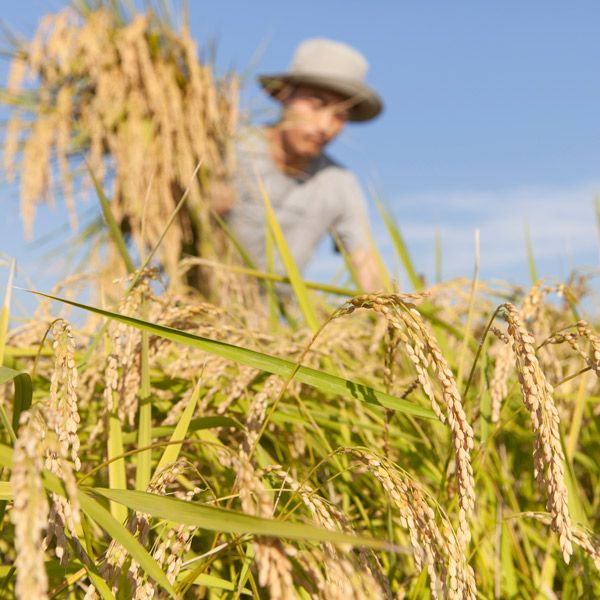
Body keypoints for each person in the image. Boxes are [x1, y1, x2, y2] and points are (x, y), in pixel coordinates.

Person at [219, 37, 384, 292]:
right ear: (285, 95)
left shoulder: (337, 183)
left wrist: (393, 312)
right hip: (197, 308)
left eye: (340, 115)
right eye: (316, 105)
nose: (325, 126)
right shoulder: (229, 150)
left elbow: (363, 260)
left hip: (271, 324)